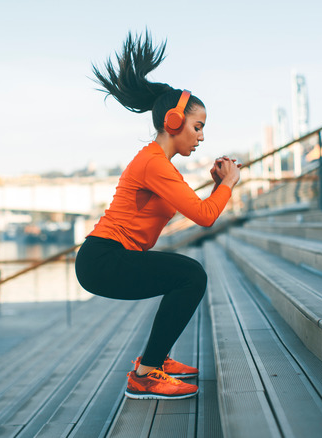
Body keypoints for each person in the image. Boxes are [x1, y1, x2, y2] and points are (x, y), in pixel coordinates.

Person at [75, 32, 241, 401]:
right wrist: (229, 183)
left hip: (109, 256)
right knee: (190, 275)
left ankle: (154, 361)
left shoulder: (159, 164)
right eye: (197, 127)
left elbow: (198, 208)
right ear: (173, 121)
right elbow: (204, 217)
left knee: (184, 276)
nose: (200, 138)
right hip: (103, 259)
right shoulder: (154, 164)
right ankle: (146, 374)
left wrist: (217, 187)